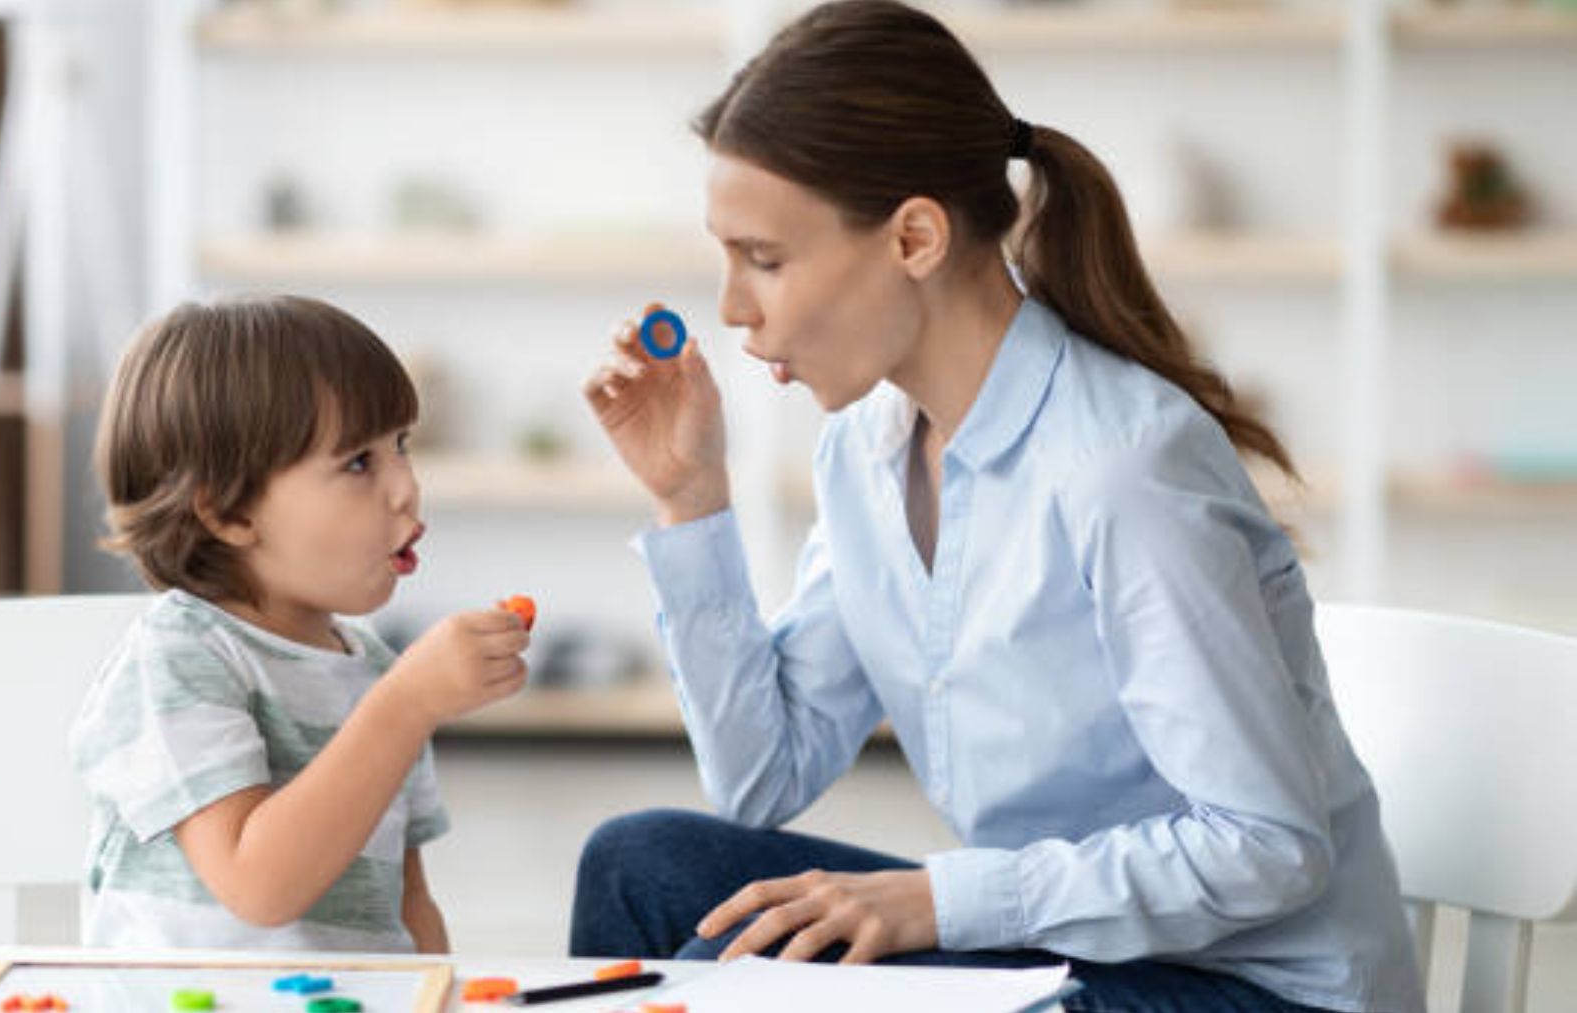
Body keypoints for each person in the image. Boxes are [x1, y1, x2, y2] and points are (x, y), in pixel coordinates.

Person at [571, 4, 1424, 1011]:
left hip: (1253, 987)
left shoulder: (1124, 469)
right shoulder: (866, 449)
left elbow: (1267, 847)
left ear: (916, 237)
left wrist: (942, 898)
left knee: (805, 980)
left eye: (765, 258)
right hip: (1080, 957)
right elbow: (764, 776)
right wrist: (690, 499)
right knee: (641, 867)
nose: (732, 307)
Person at [71, 295, 531, 950]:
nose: (406, 486)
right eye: (358, 463)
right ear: (228, 512)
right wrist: (407, 705)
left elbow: (409, 905)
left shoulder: (376, 670)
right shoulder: (178, 657)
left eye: (401, 445)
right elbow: (258, 885)